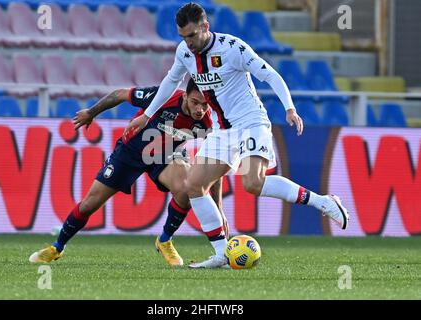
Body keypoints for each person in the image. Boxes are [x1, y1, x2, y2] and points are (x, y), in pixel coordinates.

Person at [124, 2, 349, 268]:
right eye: (183, 37)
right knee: (193, 185)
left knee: (253, 183)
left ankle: (324, 202)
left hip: (251, 122)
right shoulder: (185, 52)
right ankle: (221, 252)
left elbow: (270, 75)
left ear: (205, 27)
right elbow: (170, 82)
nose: (188, 42)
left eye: (192, 36)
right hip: (222, 131)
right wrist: (147, 115)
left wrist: (289, 108)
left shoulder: (233, 48)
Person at [29, 78, 227, 267]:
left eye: (204, 105)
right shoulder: (165, 97)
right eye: (195, 102)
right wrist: (91, 112)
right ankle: (57, 247)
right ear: (184, 96)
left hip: (166, 155)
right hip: (130, 152)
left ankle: (165, 240)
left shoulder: (208, 123)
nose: (200, 109)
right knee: (89, 204)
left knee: (187, 188)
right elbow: (121, 94)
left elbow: (213, 166)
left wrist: (218, 208)